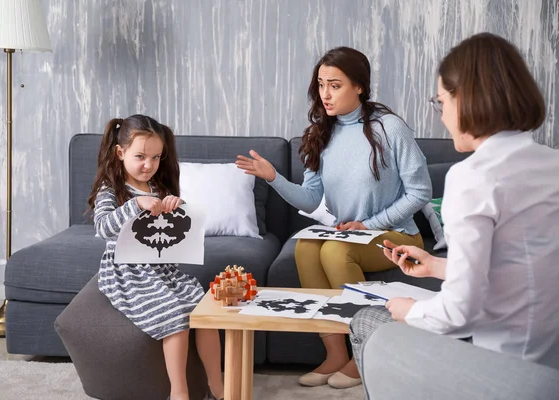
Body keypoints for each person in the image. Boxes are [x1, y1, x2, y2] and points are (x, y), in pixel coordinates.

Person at [350, 32, 559, 383]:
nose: (442, 118)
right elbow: (527, 268)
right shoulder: (552, 164)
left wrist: (410, 310)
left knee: (367, 322)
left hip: (507, 371)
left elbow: (459, 313)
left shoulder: (472, 177)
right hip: (549, 364)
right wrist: (438, 266)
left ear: (465, 100)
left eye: (441, 103)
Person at [236, 47, 432, 389]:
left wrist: (368, 225)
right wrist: (273, 177)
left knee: (334, 251)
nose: (325, 94)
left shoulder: (390, 128)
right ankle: (336, 354)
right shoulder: (322, 133)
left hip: (396, 233)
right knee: (305, 247)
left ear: (359, 86)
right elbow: (311, 198)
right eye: (321, 84)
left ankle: (365, 354)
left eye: (335, 85)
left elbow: (419, 192)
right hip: (352, 235)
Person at [88, 114, 224, 400]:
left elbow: (177, 232)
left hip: (165, 271)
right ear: (120, 152)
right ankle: (179, 392)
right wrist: (136, 204)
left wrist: (177, 205)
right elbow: (103, 229)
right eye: (140, 156)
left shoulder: (158, 189)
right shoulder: (111, 191)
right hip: (127, 275)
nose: (148, 165)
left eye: (156, 157)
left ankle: (217, 384)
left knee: (204, 313)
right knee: (174, 315)